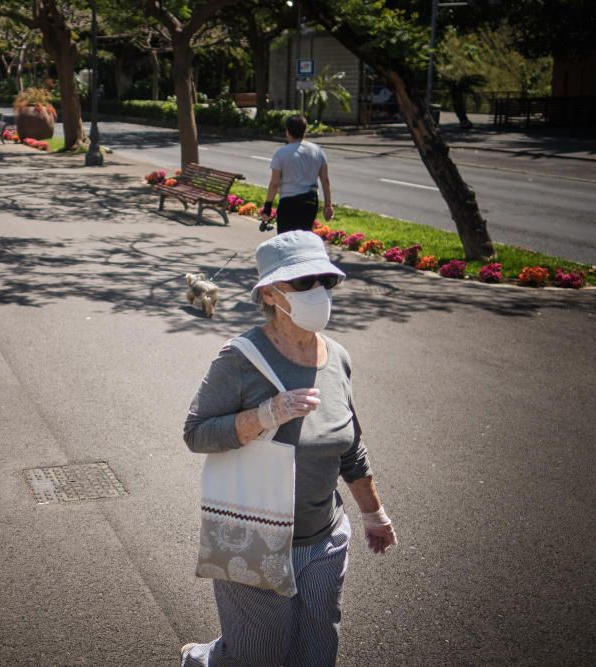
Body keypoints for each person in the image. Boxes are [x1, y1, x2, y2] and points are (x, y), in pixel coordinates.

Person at [181, 231, 396, 667]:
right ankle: (206, 660)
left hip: (324, 539)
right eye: (303, 282)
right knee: (257, 653)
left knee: (317, 648)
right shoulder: (239, 358)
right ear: (270, 293)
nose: (317, 291)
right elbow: (196, 433)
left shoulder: (337, 357)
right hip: (252, 533)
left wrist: (374, 515)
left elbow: (350, 446)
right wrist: (264, 416)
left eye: (324, 280)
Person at [261, 115, 333, 235]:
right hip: (310, 202)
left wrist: (267, 208)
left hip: (289, 203)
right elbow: (325, 180)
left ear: (287, 132)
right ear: (305, 131)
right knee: (304, 237)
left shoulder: (281, 153)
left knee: (286, 239)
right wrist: (328, 205)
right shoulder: (317, 151)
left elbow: (274, 183)